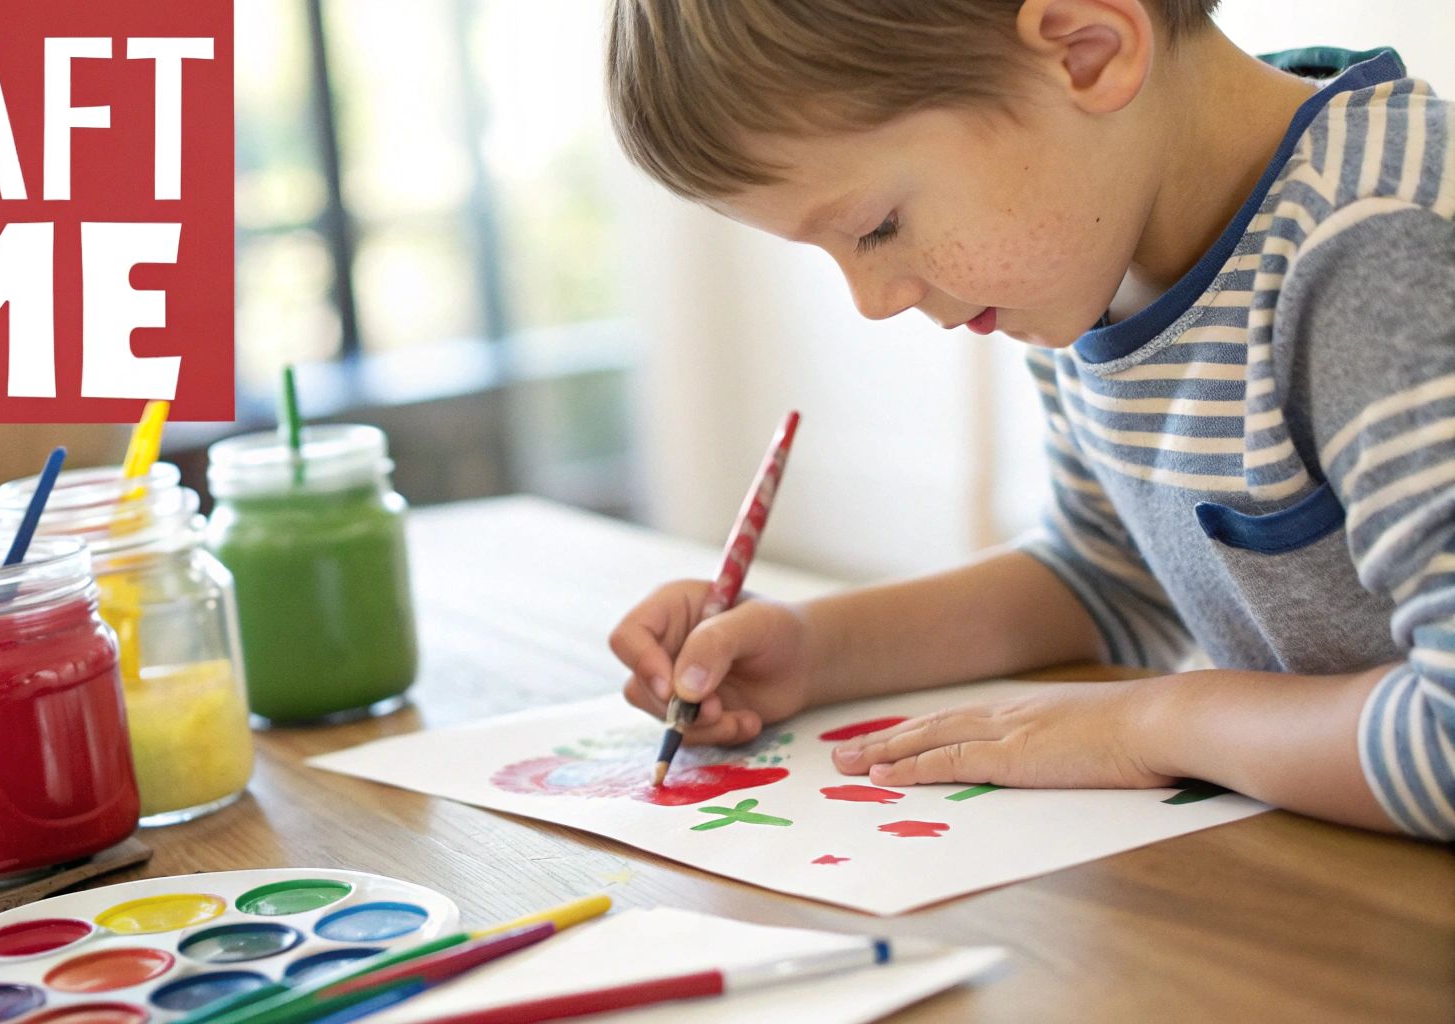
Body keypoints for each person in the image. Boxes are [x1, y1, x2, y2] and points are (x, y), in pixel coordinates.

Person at [603, 0, 1455, 839]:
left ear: (1086, 53)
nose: (873, 302)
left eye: (878, 226)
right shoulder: (1099, 256)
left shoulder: (1382, 250)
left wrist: (1149, 726)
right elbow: (1109, 575)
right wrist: (812, 648)